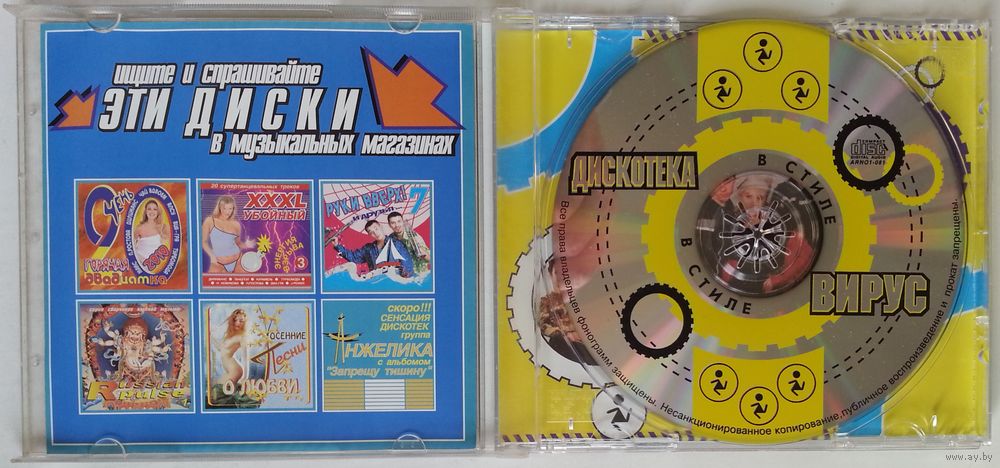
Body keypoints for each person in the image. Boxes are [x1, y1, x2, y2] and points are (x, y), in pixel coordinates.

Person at [331, 219, 414, 277]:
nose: (376, 233)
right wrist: (337, 245)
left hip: (395, 282)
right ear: (369, 235)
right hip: (376, 283)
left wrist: (402, 281)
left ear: (380, 226)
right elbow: (354, 257)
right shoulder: (368, 249)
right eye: (371, 232)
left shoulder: (396, 244)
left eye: (376, 229)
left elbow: (407, 265)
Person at [201, 195, 254, 273]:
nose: (227, 211)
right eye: (224, 208)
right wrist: (211, 256)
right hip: (218, 263)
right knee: (211, 280)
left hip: (237, 260)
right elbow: (203, 242)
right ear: (219, 208)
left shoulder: (236, 224)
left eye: (230, 208)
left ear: (233, 209)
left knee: (244, 280)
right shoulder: (210, 221)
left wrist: (246, 245)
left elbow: (238, 243)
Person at [211, 308, 249, 387]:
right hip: (230, 370)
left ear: (244, 322)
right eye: (235, 320)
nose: (237, 323)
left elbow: (245, 358)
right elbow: (220, 348)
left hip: (235, 371)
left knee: (217, 387)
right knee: (214, 385)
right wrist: (210, 336)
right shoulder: (230, 335)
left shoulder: (242, 337)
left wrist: (245, 377)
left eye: (241, 321)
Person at [133, 199, 170, 270]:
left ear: (158, 212)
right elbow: (132, 247)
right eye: (149, 209)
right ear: (145, 211)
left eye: (155, 209)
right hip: (141, 264)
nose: (152, 212)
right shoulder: (139, 228)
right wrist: (141, 260)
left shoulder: (163, 227)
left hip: (157, 266)